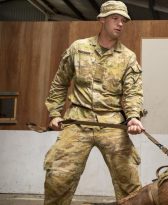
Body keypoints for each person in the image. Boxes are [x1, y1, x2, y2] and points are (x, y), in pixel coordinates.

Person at [43, 1, 144, 204]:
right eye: (115, 18)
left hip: (112, 123)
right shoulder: (78, 48)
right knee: (58, 177)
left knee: (129, 180)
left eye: (123, 20)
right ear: (102, 20)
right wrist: (55, 113)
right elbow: (60, 82)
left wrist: (133, 117)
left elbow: (133, 92)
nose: (120, 24)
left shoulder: (128, 57)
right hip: (78, 121)